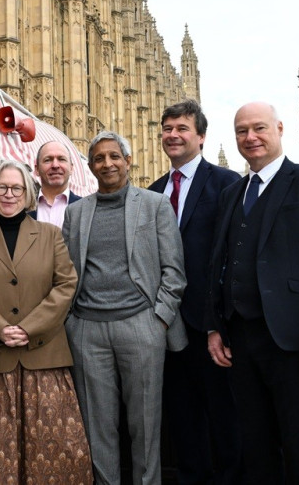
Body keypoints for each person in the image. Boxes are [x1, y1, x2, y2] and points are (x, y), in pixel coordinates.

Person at [207, 102, 299, 484]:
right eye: (242, 131)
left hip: (293, 339)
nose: (251, 138)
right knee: (257, 445)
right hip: (241, 340)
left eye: (259, 128)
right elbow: (220, 263)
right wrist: (215, 326)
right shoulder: (232, 193)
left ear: (280, 129)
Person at [0, 159, 93, 484]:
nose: (9, 194)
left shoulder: (51, 235)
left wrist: (29, 328)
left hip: (44, 358)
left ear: (28, 192)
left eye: (17, 188)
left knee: (54, 454)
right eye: (2, 187)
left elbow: (66, 285)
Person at [62, 131, 187, 485]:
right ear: (90, 166)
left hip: (141, 326)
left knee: (145, 424)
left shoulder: (155, 205)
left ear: (128, 161)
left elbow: (174, 271)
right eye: (99, 158)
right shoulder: (76, 213)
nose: (107, 163)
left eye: (114, 156)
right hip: (88, 330)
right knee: (97, 425)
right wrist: (72, 322)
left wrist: (158, 320)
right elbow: (68, 273)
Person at [148, 100, 242, 484]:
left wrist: (224, 321)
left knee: (226, 419)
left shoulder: (226, 184)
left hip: (212, 326)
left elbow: (234, 256)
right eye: (167, 128)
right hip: (168, 328)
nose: (173, 135)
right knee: (183, 421)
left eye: (182, 128)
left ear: (201, 137)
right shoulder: (152, 193)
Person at [32, 140, 81, 226]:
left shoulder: (85, 208)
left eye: (61, 159)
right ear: (37, 169)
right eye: (48, 160)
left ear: (71, 168)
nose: (55, 165)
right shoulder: (23, 207)